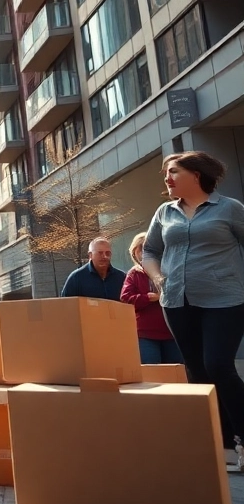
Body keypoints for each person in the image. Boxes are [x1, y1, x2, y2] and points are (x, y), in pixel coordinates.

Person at [141, 151, 244, 456]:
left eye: (173, 172)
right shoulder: (164, 212)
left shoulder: (229, 209)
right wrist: (158, 279)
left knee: (218, 365)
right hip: (176, 301)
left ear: (196, 175)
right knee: (197, 371)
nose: (167, 179)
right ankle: (218, 441)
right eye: (166, 174)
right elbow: (149, 252)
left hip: (224, 299)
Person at [120, 232, 182, 365]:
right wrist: (147, 298)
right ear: (134, 253)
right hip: (146, 335)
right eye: (140, 249)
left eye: (147, 247)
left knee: (176, 374)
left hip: (171, 331)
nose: (144, 252)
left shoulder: (168, 269)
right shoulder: (134, 273)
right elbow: (126, 299)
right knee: (152, 374)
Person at [60, 237, 126, 300]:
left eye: (107, 253)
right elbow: (66, 305)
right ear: (90, 255)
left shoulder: (121, 278)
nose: (104, 256)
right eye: (100, 253)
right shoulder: (76, 278)